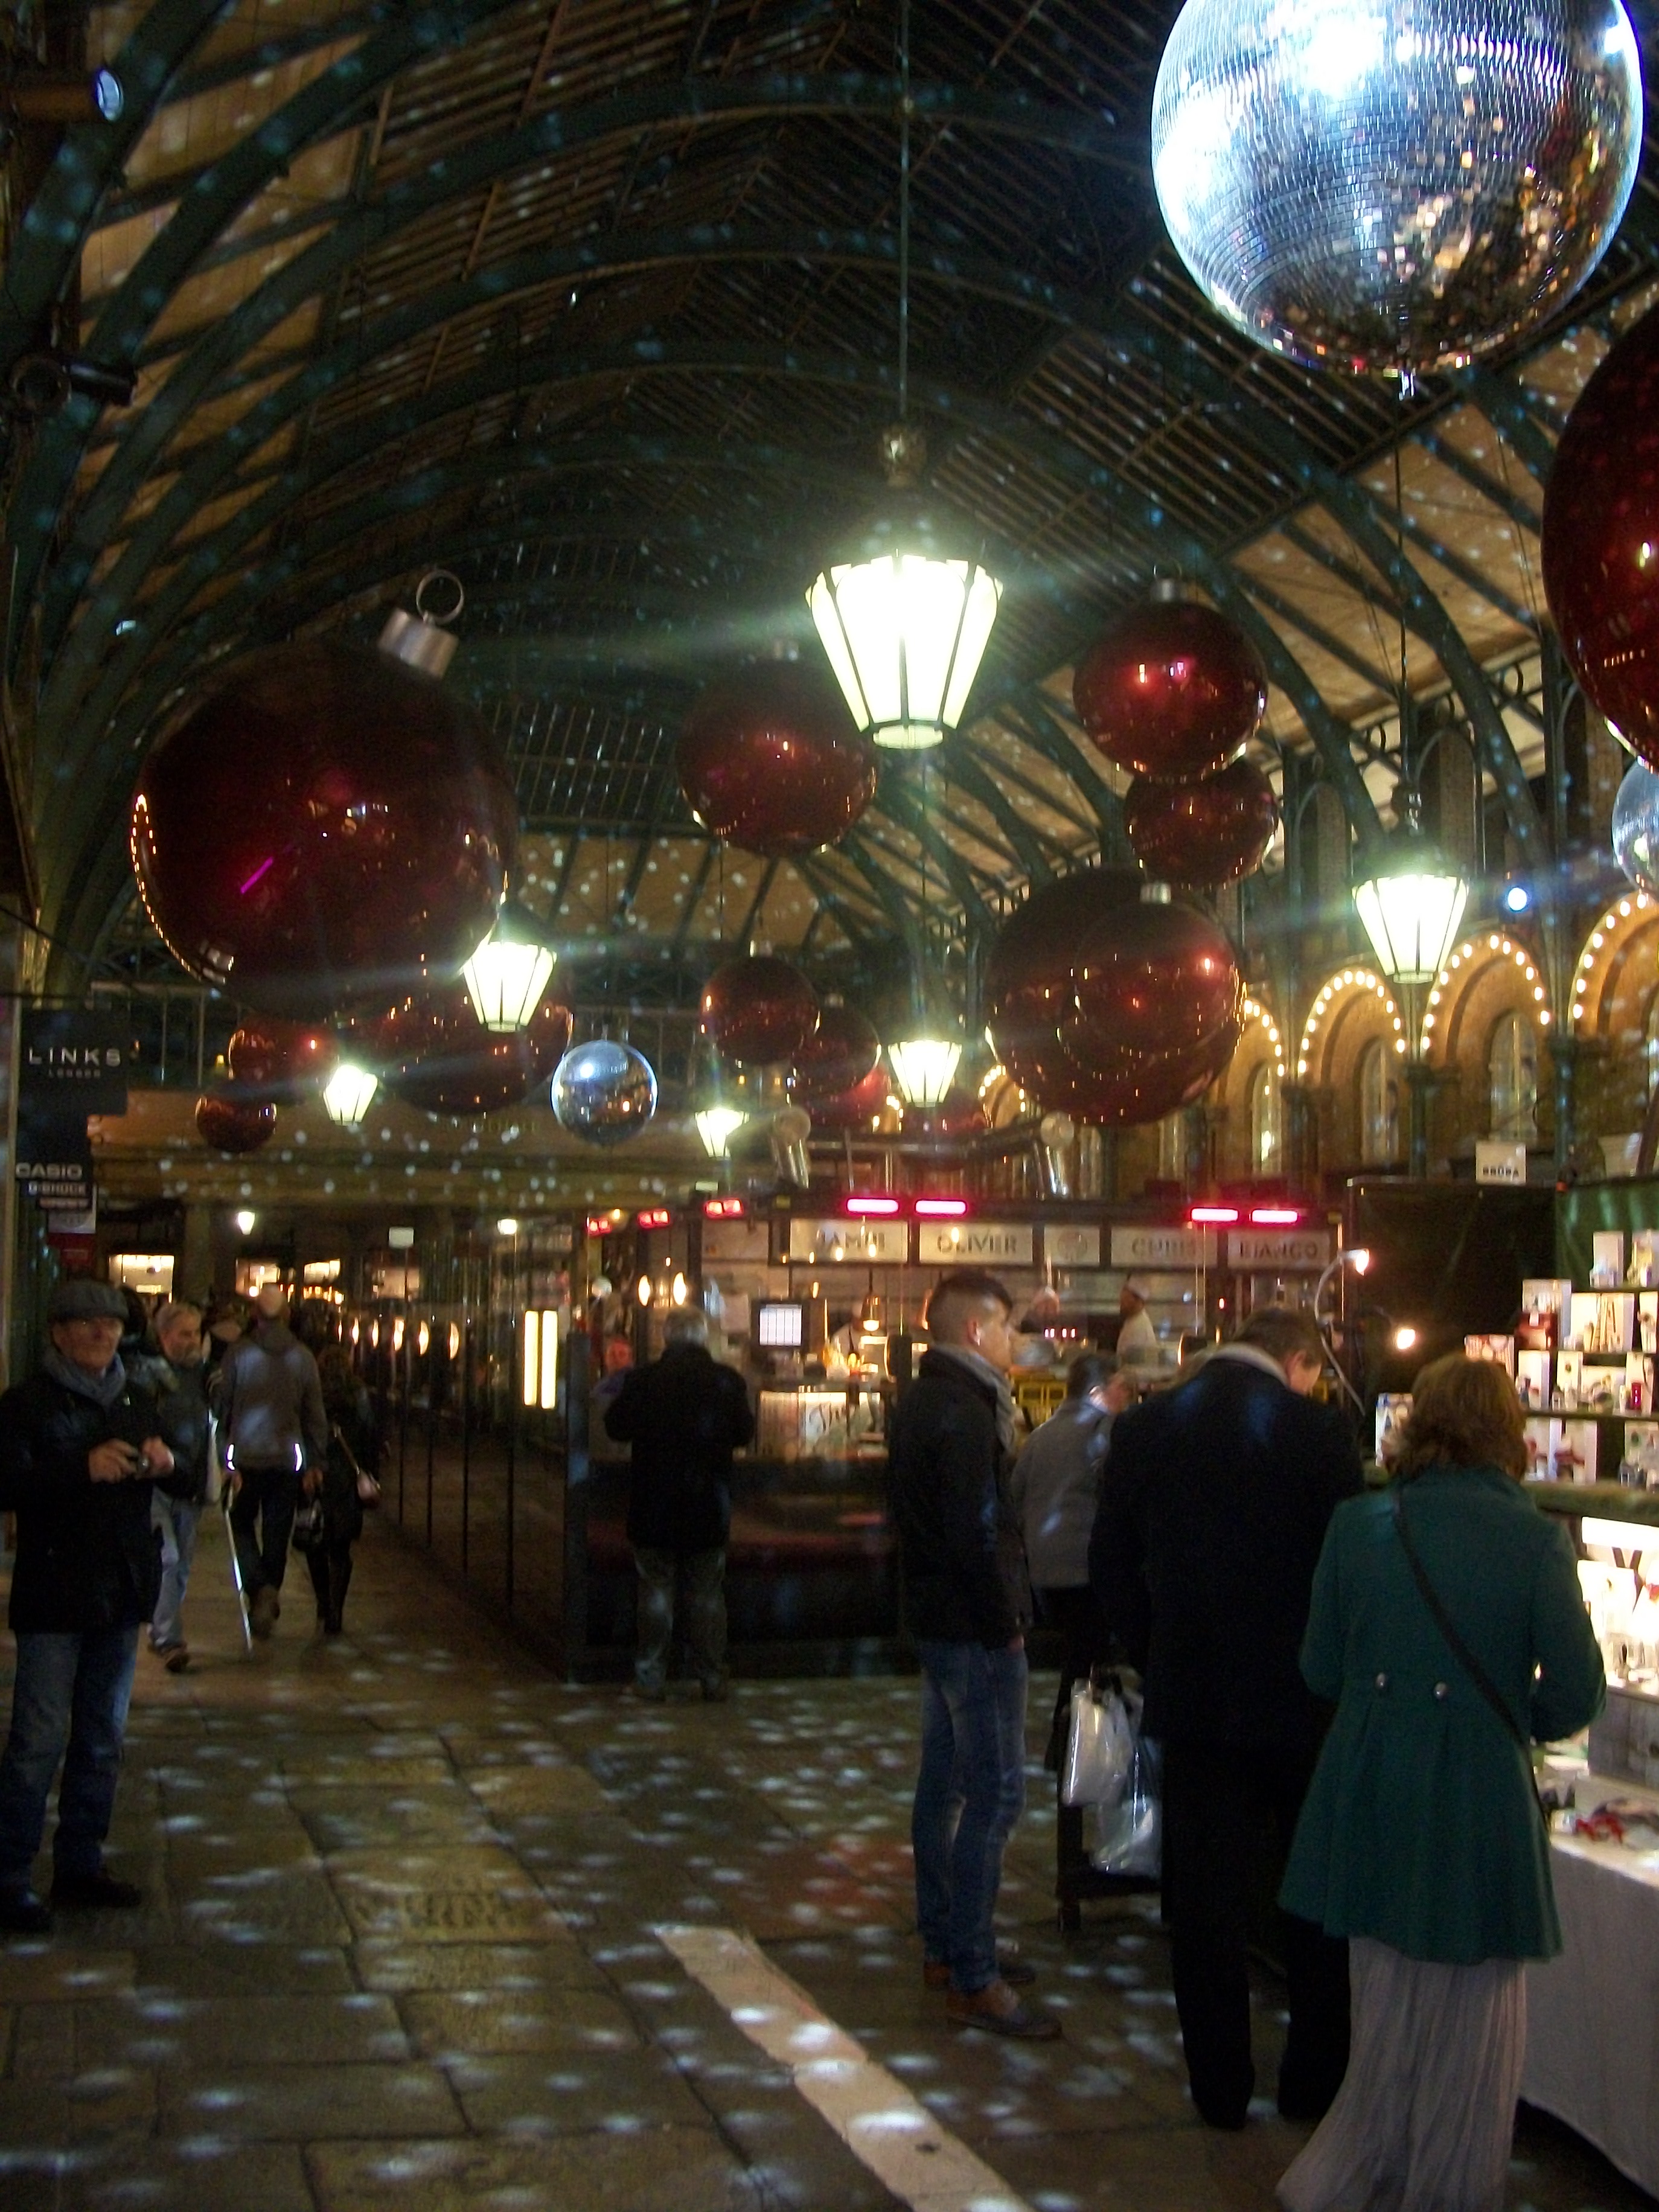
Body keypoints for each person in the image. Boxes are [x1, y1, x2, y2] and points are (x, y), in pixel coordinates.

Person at [1277, 1354, 1605, 2212]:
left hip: (1372, 1777)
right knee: (1475, 2010)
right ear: (1508, 1431)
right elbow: (1576, 1693)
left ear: (1418, 1421)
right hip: (1477, 1794)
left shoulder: (1358, 1524)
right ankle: (1449, 2182)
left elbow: (1319, 1668)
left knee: (1381, 1991)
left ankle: (1366, 2165)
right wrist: (1508, 1725)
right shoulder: (1532, 1537)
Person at [1092, 1305, 1361, 2127]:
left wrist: (1155, 1652)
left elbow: (1111, 1564)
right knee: (1312, 1894)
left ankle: (1219, 2086)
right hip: (1302, 1697)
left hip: (1197, 1697)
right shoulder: (1319, 1434)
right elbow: (1347, 1567)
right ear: (1298, 1361)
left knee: (1205, 1906)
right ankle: (1313, 2081)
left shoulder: (1147, 1427)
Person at [888, 1267, 1058, 2040]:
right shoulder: (965, 1409)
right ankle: (974, 1973)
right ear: (974, 1330)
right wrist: (1005, 1624)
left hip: (935, 1617)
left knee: (945, 1783)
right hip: (973, 1626)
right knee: (995, 1794)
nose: (1013, 1340)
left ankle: (945, 1942)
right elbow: (976, 1530)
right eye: (1007, 1326)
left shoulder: (925, 1397)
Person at [0, 1279, 187, 1932]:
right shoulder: (26, 1405)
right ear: (58, 1334)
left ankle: (80, 1863)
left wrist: (167, 1461)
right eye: (85, 1325)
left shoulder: (135, 1399)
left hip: (119, 1591)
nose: (100, 1334)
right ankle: (10, 1876)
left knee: (102, 1737)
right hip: (55, 1593)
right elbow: (8, 1482)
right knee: (38, 1739)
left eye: (109, 1325)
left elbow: (188, 1472)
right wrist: (81, 1468)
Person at [1009, 1350, 1132, 1896]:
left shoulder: (1039, 1437)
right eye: (1123, 1388)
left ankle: (1067, 1738)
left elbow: (1015, 1496)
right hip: (1086, 1569)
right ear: (1102, 1390)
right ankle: (1077, 1743)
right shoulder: (1104, 1434)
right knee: (1092, 1649)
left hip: (1043, 1573)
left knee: (1080, 1649)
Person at [604, 1305, 753, 1702]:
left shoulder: (643, 1381)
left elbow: (615, 1426)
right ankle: (713, 1677)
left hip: (654, 1506)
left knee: (655, 1592)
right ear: (703, 1337)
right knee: (707, 1594)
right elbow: (744, 1433)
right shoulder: (726, 1382)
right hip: (708, 1507)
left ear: (666, 1338)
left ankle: (650, 1678)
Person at [217, 1283, 328, 1640]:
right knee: (277, 1531)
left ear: (254, 1315)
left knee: (240, 1523)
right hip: (287, 1458)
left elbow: (221, 1406)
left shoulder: (238, 1354)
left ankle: (258, 1586)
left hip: (244, 1457)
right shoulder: (303, 1358)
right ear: (286, 1315)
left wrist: (221, 1455)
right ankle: (270, 1588)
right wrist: (316, 1461)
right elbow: (315, 1415)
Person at [131, 1299, 214, 1673]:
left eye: (195, 1333)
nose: (192, 1340)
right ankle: (168, 1637)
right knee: (169, 1558)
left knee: (181, 1567)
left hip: (189, 1482)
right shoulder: (149, 1376)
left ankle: (161, 1628)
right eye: (184, 1334)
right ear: (164, 1336)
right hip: (157, 1484)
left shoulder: (205, 1377)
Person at [302, 1346, 379, 1636]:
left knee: (316, 1543)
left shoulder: (313, 1394)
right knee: (341, 1548)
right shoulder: (357, 1395)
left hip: (319, 1475)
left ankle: (323, 1602)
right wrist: (370, 1472)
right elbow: (369, 1434)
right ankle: (337, 1608)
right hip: (346, 1478)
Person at [1114, 1280, 1160, 1370]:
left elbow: (1133, 1367)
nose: (1121, 1305)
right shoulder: (1131, 1321)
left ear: (1138, 1301)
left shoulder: (1141, 1327)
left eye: (1125, 1300)